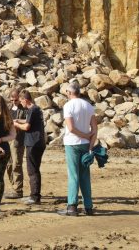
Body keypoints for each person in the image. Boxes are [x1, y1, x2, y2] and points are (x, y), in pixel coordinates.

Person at [58, 82, 97, 217]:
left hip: (72, 143)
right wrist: (90, 145)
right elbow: (95, 129)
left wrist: (85, 135)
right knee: (85, 176)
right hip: (85, 144)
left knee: (73, 175)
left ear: (69, 93)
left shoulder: (68, 106)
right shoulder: (88, 106)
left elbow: (71, 128)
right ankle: (88, 207)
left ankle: (72, 206)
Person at [13, 90, 46, 205]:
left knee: (32, 170)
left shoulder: (32, 110)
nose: (20, 103)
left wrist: (16, 125)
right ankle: (34, 195)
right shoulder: (35, 109)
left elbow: (27, 126)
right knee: (34, 169)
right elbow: (28, 121)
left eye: (21, 101)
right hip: (37, 142)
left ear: (25, 100)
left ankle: (34, 197)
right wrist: (18, 120)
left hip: (33, 143)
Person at [5, 88, 26, 199]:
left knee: (16, 164)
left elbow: (27, 123)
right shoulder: (8, 108)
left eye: (16, 100)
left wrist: (16, 122)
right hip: (7, 138)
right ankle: (14, 186)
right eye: (12, 100)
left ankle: (18, 189)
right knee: (8, 164)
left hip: (18, 139)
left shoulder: (24, 109)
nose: (14, 102)